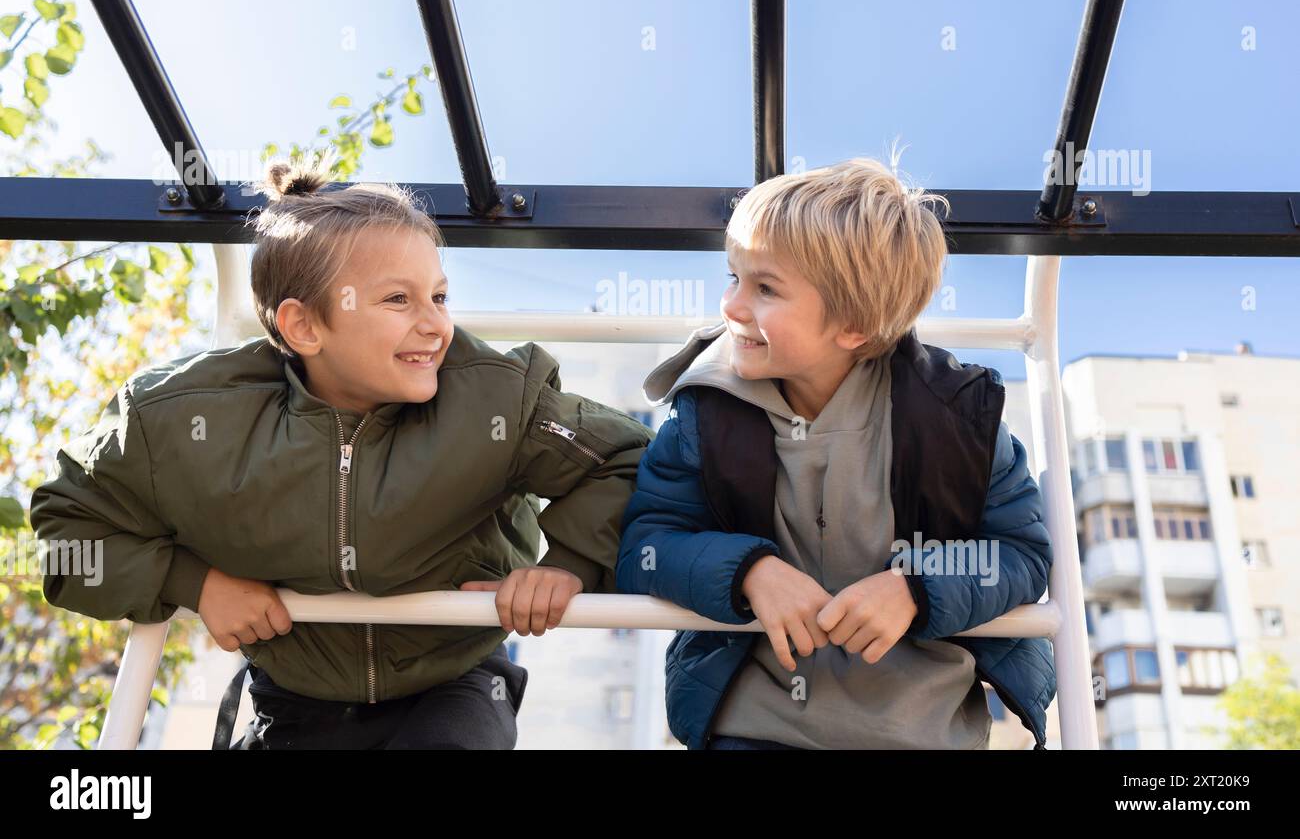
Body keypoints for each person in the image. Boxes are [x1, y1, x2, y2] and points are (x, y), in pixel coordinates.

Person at [29, 151, 654, 749]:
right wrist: (195, 584)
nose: (437, 324)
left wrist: (568, 564)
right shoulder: (182, 419)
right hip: (295, 693)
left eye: (438, 296)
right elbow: (68, 537)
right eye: (397, 300)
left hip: (454, 683)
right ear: (304, 327)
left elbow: (626, 458)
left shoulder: (496, 398)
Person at [616, 156, 1055, 750]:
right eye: (733, 277)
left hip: (924, 732)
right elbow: (646, 545)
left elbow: (1021, 555)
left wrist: (917, 587)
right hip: (753, 728)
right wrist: (748, 571)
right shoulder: (704, 414)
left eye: (765, 288)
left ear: (853, 324)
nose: (733, 307)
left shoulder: (960, 420)